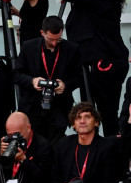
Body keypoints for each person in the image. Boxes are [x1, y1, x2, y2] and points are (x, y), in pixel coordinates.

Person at [50, 0, 129, 136]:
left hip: (104, 63)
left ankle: (104, 149)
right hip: (107, 62)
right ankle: (108, 148)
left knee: (101, 111)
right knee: (106, 111)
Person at [13, 15, 82, 144]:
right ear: (42, 33)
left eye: (58, 39)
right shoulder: (29, 46)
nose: (54, 43)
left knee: (56, 147)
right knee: (34, 146)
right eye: (51, 39)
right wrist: (32, 81)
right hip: (32, 107)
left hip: (59, 107)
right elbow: (16, 74)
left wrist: (65, 85)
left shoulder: (72, 49)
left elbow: (80, 77)